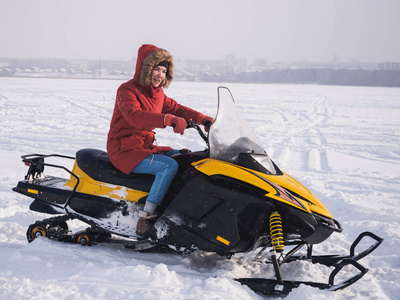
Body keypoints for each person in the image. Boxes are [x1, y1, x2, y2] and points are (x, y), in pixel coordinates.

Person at [107, 44, 214, 235]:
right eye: (156, 69)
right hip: (124, 149)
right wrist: (167, 119)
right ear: (145, 69)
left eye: (164, 71)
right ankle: (145, 217)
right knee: (168, 166)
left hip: (143, 146)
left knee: (184, 159)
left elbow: (178, 109)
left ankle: (176, 209)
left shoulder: (158, 94)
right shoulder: (127, 90)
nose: (160, 75)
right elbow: (135, 115)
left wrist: (202, 119)